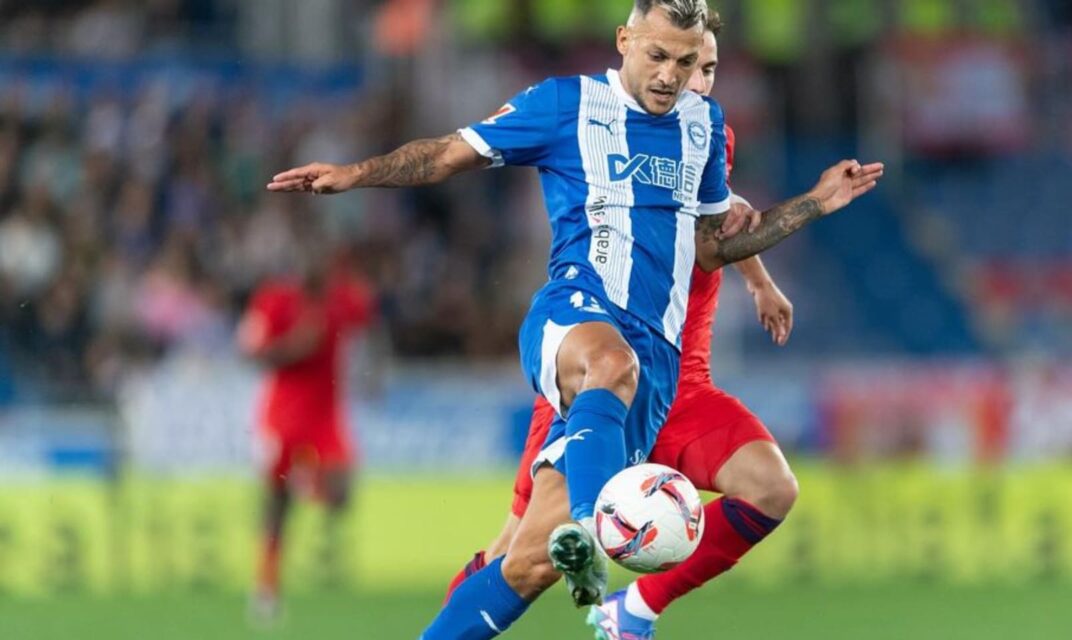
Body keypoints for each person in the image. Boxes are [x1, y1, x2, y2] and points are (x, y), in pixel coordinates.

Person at [267, 1, 883, 636]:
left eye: (688, 61)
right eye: (658, 56)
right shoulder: (564, 105)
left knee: (525, 565)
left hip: (653, 371)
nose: (673, 75)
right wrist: (354, 174)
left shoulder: (703, 126)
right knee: (611, 364)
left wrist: (812, 204)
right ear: (624, 41)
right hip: (574, 317)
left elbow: (711, 243)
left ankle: (581, 573)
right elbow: (452, 153)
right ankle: (595, 530)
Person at [442, 13, 804, 640]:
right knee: (521, 556)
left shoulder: (702, 139)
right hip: (604, 375)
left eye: (705, 69)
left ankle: (633, 607)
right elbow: (715, 236)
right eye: (680, 63)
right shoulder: (612, 129)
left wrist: (761, 281)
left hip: (679, 385)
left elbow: (723, 225)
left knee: (772, 487)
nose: (691, 81)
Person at [237, 244, 373, 622]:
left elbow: (368, 324)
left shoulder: (341, 297)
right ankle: (266, 588)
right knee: (276, 505)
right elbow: (249, 350)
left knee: (341, 492)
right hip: (282, 416)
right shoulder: (274, 300)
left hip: (325, 417)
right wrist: (293, 346)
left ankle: (305, 479)